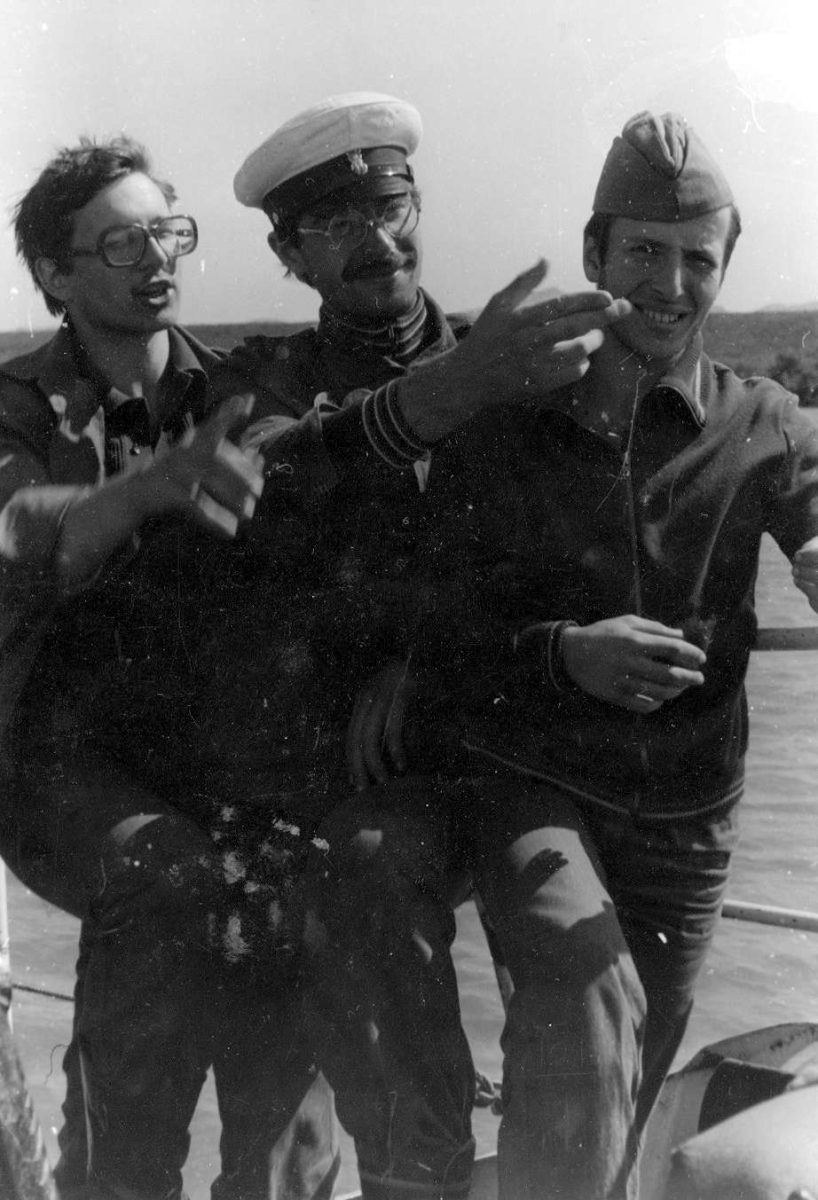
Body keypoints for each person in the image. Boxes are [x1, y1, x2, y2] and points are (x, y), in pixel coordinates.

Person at [67, 93, 635, 1200]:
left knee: (583, 979)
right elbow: (268, 484)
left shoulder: (513, 364)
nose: (375, 239)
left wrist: (427, 661)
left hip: (504, 758)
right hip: (344, 797)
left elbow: (571, 566)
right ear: (289, 255)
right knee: (344, 1025)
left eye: (389, 206)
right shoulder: (256, 385)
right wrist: (440, 397)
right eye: (334, 225)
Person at [313, 111, 818, 1199]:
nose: (668, 285)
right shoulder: (502, 425)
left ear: (726, 269)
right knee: (583, 1003)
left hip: (687, 820)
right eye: (641, 252)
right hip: (536, 789)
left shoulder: (764, 423)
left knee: (620, 1102)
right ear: (594, 253)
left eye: (697, 260)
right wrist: (562, 655)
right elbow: (436, 632)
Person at [0, 136, 340, 1200]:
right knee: (162, 876)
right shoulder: (12, 407)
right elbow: (22, 525)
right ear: (53, 274)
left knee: (293, 885)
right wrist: (144, 490)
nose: (156, 259)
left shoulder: (239, 387)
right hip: (53, 764)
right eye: (120, 243)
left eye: (165, 233)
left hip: (213, 758)